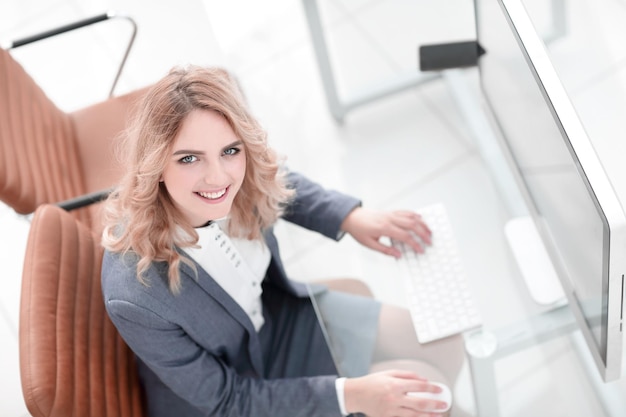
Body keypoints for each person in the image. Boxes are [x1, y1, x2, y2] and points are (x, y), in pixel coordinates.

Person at [101, 65, 465, 417]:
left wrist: (350, 217)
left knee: (445, 345)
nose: (218, 177)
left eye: (230, 150)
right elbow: (227, 401)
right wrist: (351, 395)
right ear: (156, 164)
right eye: (189, 158)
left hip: (278, 318)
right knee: (426, 394)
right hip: (240, 386)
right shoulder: (135, 293)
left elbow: (272, 175)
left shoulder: (241, 177)